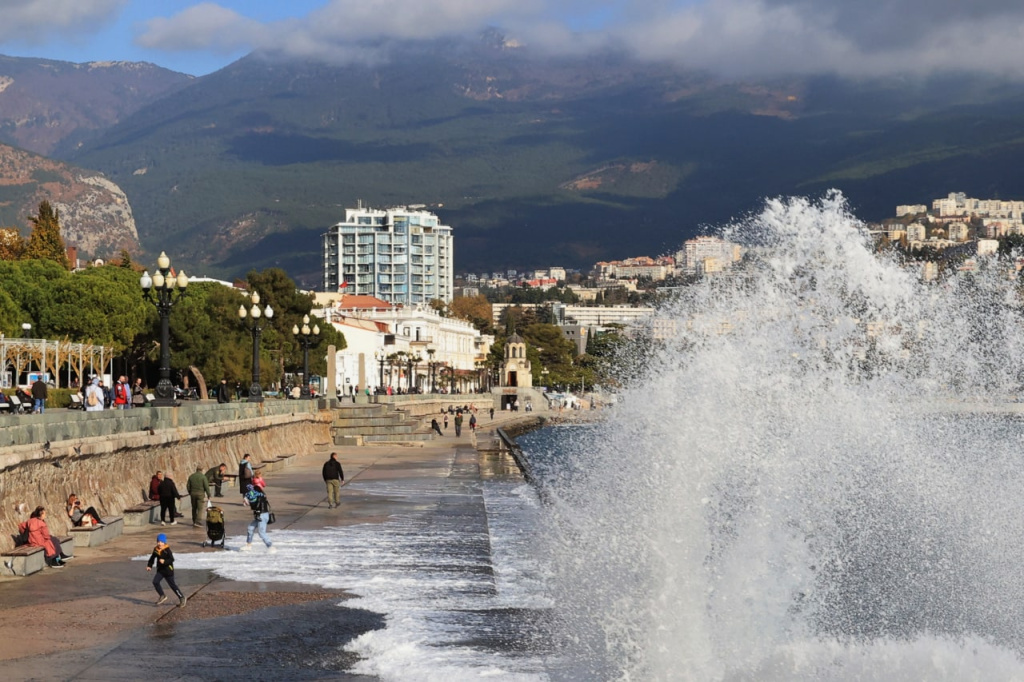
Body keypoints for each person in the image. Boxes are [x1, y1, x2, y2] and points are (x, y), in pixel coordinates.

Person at [146, 533, 187, 607]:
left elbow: (172, 559)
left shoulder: (167, 550)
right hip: (160, 570)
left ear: (164, 542)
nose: (159, 544)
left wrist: (165, 561)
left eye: (161, 542)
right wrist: (149, 565)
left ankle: (181, 597)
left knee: (172, 585)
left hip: (168, 570)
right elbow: (152, 558)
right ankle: (162, 595)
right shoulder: (156, 550)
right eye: (158, 542)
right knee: (155, 582)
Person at [240, 484, 275, 552]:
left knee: (261, 532)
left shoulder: (259, 497)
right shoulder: (260, 496)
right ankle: (248, 545)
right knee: (250, 528)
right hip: (259, 515)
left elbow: (252, 504)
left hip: (262, 515)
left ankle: (270, 546)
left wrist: (247, 500)